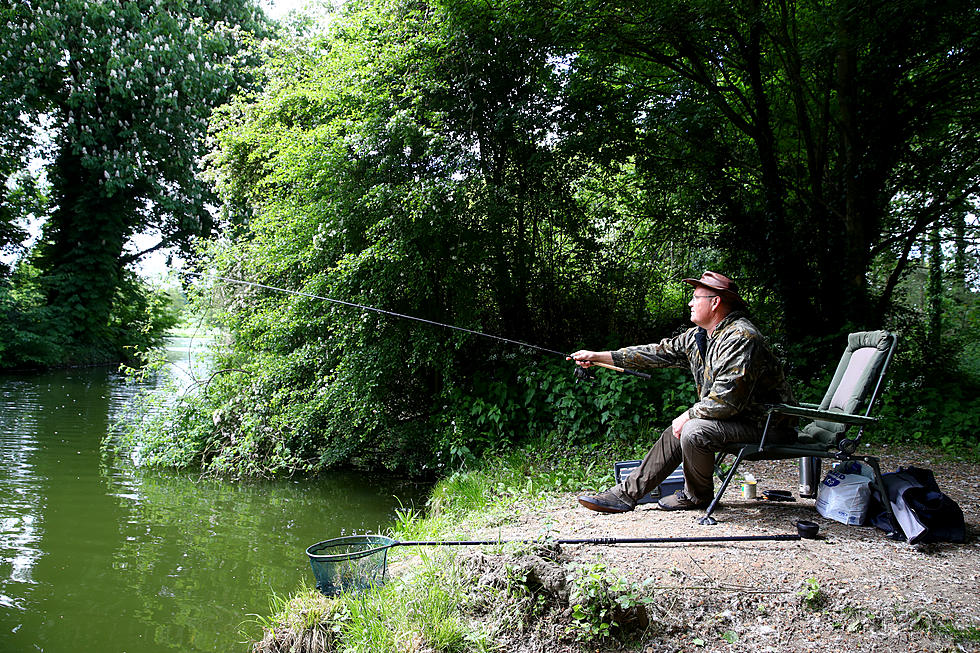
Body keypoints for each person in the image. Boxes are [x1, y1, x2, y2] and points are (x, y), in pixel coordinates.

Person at [568, 271, 797, 513]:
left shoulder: (742, 337)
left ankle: (696, 497)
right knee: (677, 431)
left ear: (715, 302)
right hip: (738, 420)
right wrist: (598, 356)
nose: (690, 303)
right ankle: (625, 495)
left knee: (693, 429)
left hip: (768, 427)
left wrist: (688, 415)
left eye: (696, 297)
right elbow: (655, 353)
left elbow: (727, 400)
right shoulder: (700, 336)